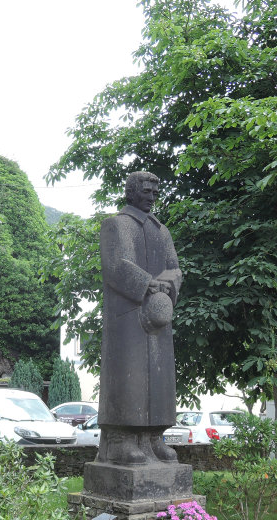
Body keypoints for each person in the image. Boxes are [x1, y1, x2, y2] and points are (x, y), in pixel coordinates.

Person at [97, 171, 182, 465]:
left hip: (158, 319)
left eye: (155, 191)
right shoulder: (115, 225)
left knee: (158, 380)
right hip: (127, 319)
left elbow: (175, 268)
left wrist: (167, 286)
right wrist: (148, 283)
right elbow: (115, 266)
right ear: (131, 192)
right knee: (127, 378)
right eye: (146, 190)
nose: (152, 196)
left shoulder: (163, 232)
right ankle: (121, 441)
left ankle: (154, 438)